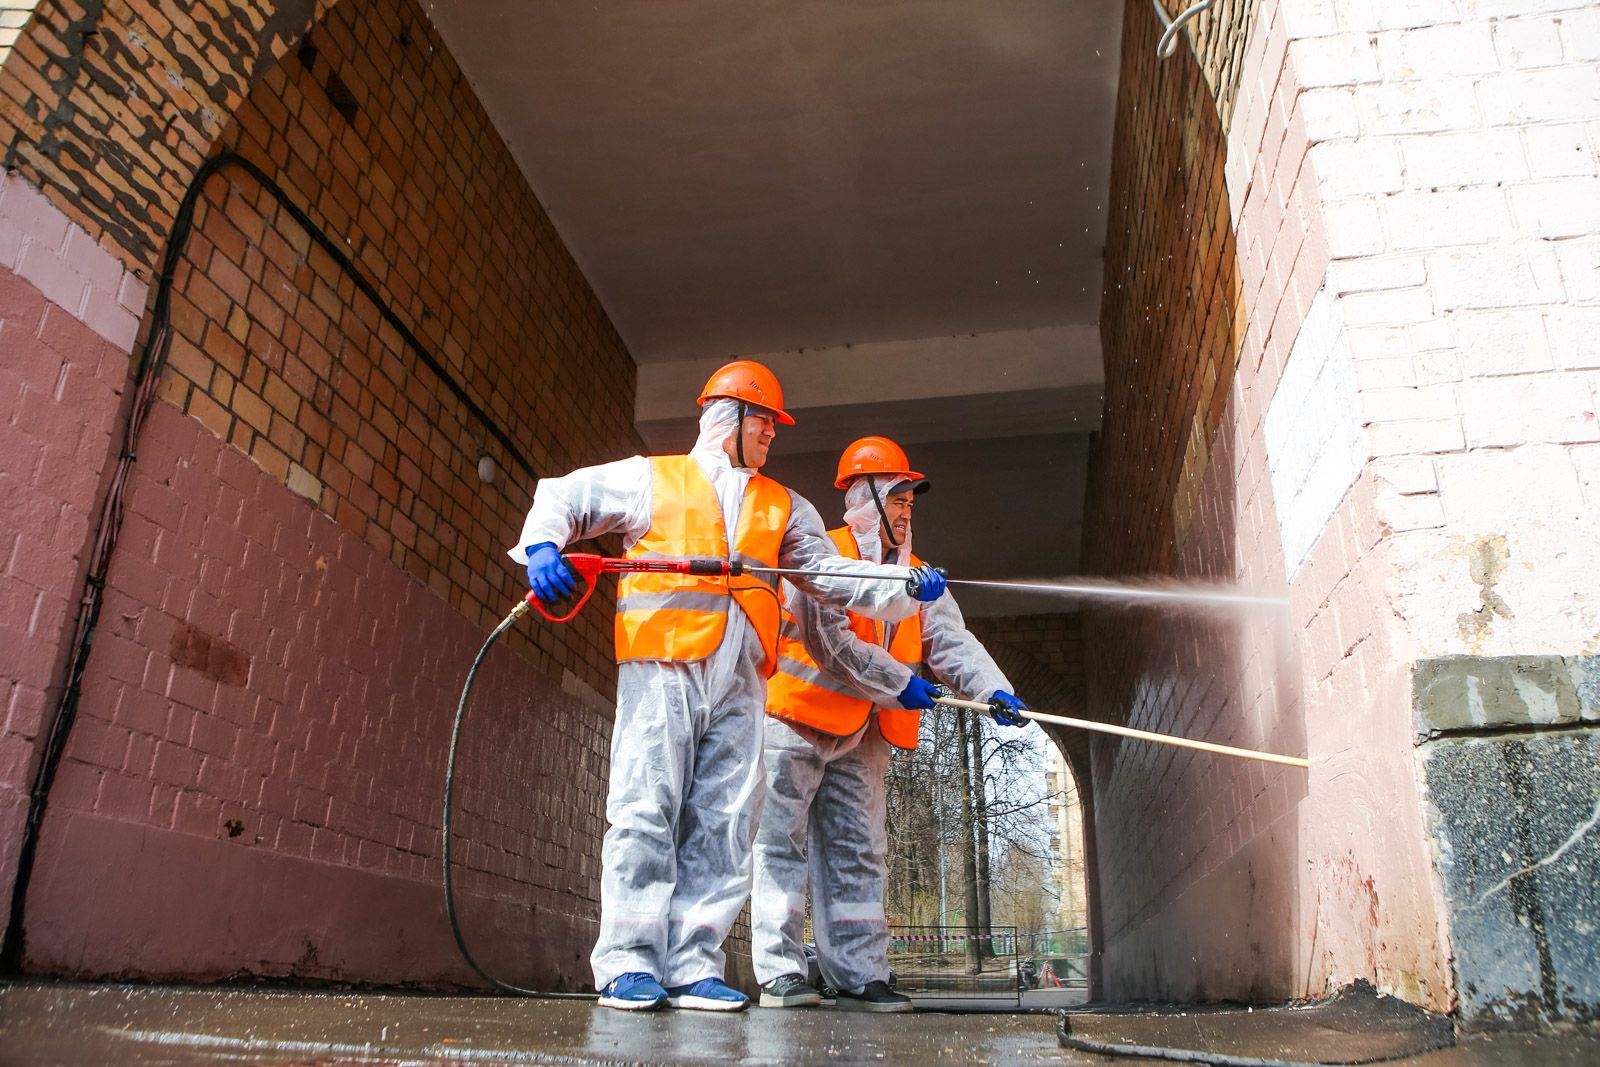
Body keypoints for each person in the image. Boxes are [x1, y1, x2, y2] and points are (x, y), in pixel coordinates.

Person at [508, 364, 948, 1013]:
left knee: (724, 821)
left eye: (774, 422)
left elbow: (825, 571)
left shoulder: (783, 505)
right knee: (645, 804)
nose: (772, 431)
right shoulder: (653, 478)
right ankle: (629, 961)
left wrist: (900, 587)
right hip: (664, 665)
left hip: (741, 678)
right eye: (764, 418)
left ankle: (692, 964)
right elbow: (564, 496)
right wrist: (544, 546)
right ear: (728, 416)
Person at [751, 435, 1028, 1012]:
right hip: (797, 717)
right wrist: (898, 684)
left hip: (864, 734)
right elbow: (831, 642)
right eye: (898, 498)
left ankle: (859, 975)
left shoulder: (919, 575)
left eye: (911, 503)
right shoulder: (821, 556)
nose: (907, 512)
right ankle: (780, 973)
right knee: (780, 843)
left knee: (860, 850)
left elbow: (949, 640)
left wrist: (993, 689)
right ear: (867, 497)